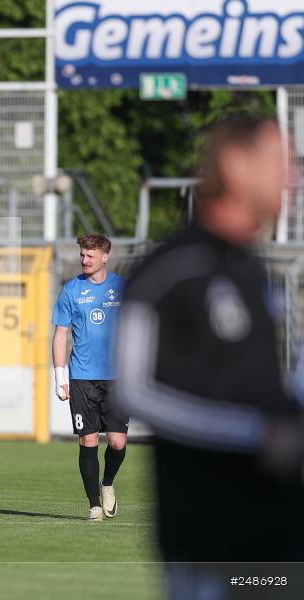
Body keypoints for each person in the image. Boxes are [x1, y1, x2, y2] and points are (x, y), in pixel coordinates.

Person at [114, 116, 304, 596]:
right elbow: (134, 387)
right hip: (208, 537)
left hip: (276, 530)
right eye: (280, 161)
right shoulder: (170, 269)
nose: (292, 177)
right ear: (235, 165)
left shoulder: (251, 268)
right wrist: (255, 433)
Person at [52, 233, 127, 522]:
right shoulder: (71, 290)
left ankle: (107, 483)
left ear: (105, 257)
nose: (84, 260)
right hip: (81, 376)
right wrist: (60, 375)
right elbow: (60, 336)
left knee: (118, 443)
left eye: (90, 256)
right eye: (82, 255)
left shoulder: (122, 288)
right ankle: (94, 505)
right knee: (88, 440)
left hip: (117, 378)